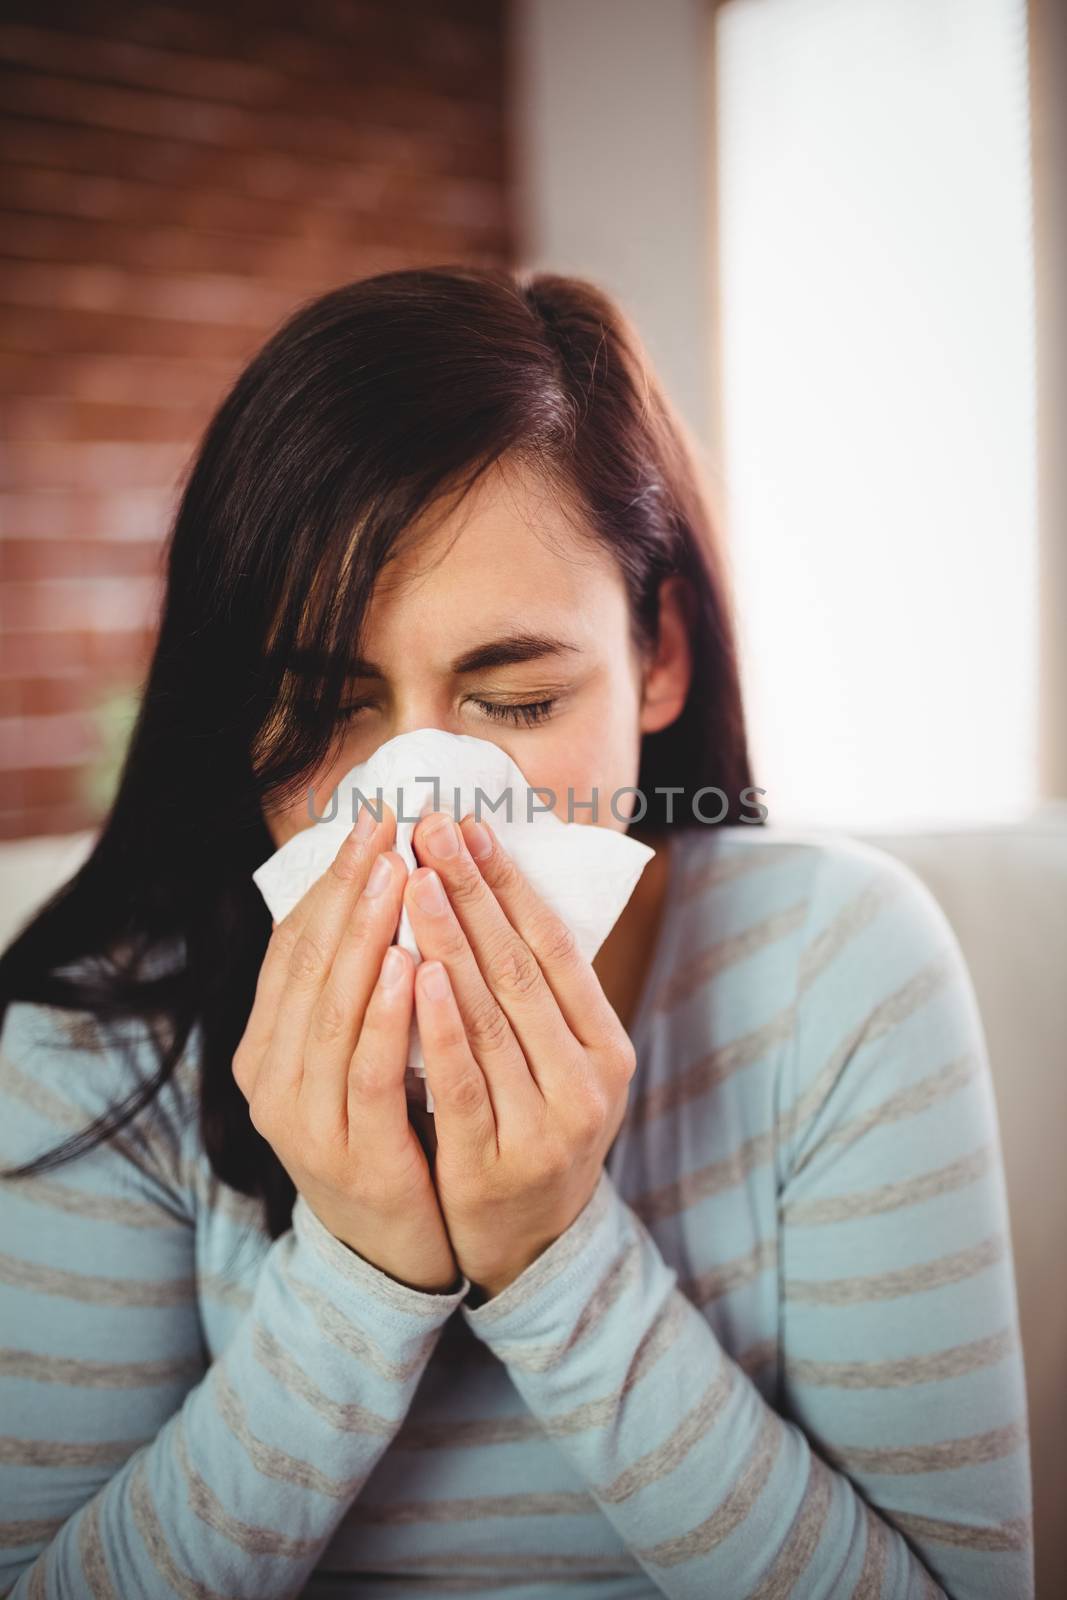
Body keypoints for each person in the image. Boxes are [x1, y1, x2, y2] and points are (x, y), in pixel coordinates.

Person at [0, 265, 1033, 1599]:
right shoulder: (101, 1040)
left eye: (518, 700)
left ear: (658, 658)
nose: (425, 811)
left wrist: (555, 1256)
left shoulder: (835, 973)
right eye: (331, 705)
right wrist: (362, 1269)